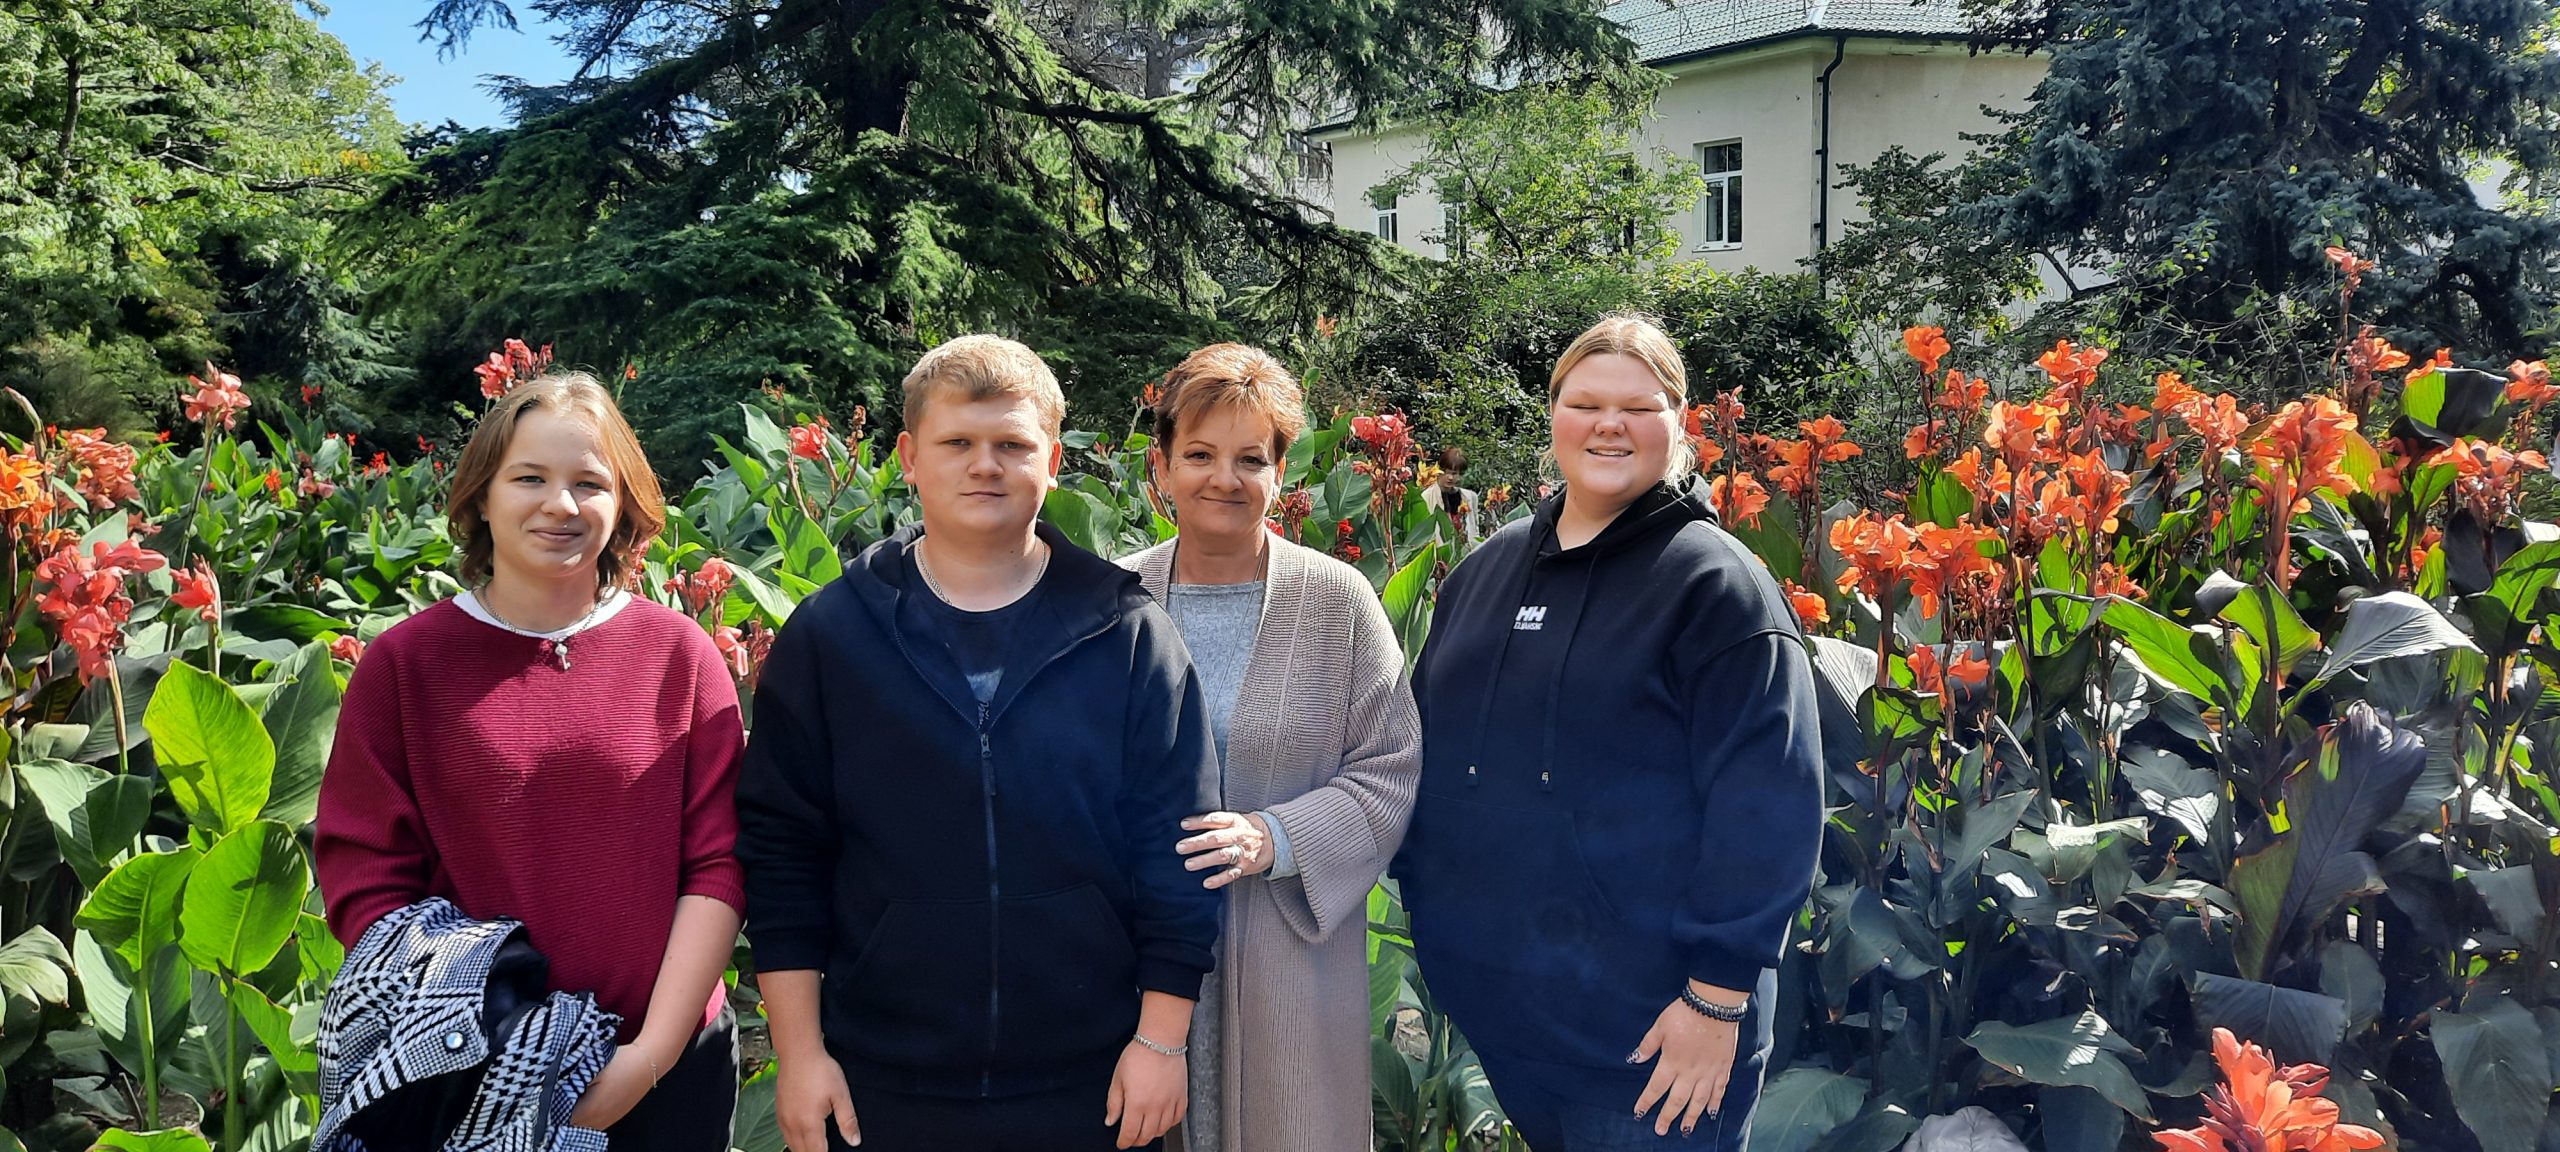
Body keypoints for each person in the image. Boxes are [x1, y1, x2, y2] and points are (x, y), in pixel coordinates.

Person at [737, 334, 1222, 1152]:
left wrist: (1161, 1040)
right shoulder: (832, 638)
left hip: (1094, 1079)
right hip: (877, 1080)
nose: (984, 466)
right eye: (957, 442)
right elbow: (783, 853)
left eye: (1012, 445)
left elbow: (1178, 850)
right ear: (909, 457)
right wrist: (799, 1051)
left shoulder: (1128, 634)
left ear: (1053, 461)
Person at [1395, 314, 1822, 1151]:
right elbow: (1424, 752)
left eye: (1638, 407)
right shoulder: (1486, 572)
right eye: (1585, 404)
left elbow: (1768, 807)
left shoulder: (1718, 588)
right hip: (1512, 1020)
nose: (1609, 426)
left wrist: (1717, 999)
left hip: (1655, 1043)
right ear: (1553, 413)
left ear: (1679, 421)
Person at [316, 372, 747, 1151]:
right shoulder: (406, 666)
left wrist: (646, 1057)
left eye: (590, 483)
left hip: (672, 1064)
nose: (561, 505)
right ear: (482, 497)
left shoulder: (680, 655)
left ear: (622, 504)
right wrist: (505, 1053)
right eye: (529, 479)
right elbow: (366, 880)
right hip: (470, 1074)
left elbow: (718, 864)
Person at [1122, 343, 1422, 1152]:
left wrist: (1274, 837)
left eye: (1250, 459)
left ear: (1281, 472)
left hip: (1290, 961)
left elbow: (1391, 767)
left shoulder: (1337, 602)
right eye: (1199, 455)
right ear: (1161, 465)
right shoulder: (1113, 599)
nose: (1224, 478)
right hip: (1131, 966)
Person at [1432, 446, 1484, 544]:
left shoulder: (1470, 497)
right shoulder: (1427, 496)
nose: (1450, 478)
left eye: (1454, 473)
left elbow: (1474, 530)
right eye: (1447, 473)